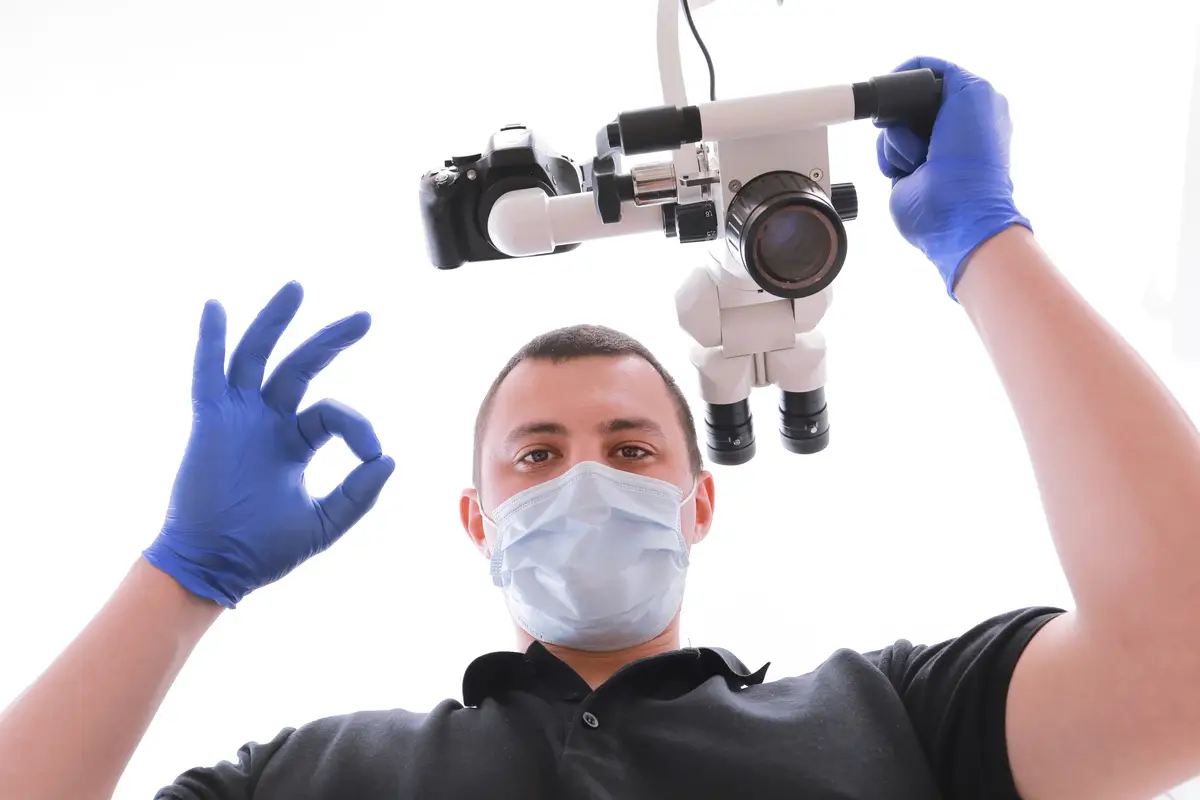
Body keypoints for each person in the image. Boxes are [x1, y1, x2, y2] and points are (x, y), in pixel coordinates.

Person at [1, 56, 1198, 800]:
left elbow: (1179, 668)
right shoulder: (314, 772)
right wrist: (179, 580)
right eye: (537, 453)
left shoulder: (890, 721)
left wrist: (985, 242)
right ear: (479, 517)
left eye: (632, 450)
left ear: (700, 498)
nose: (585, 479)